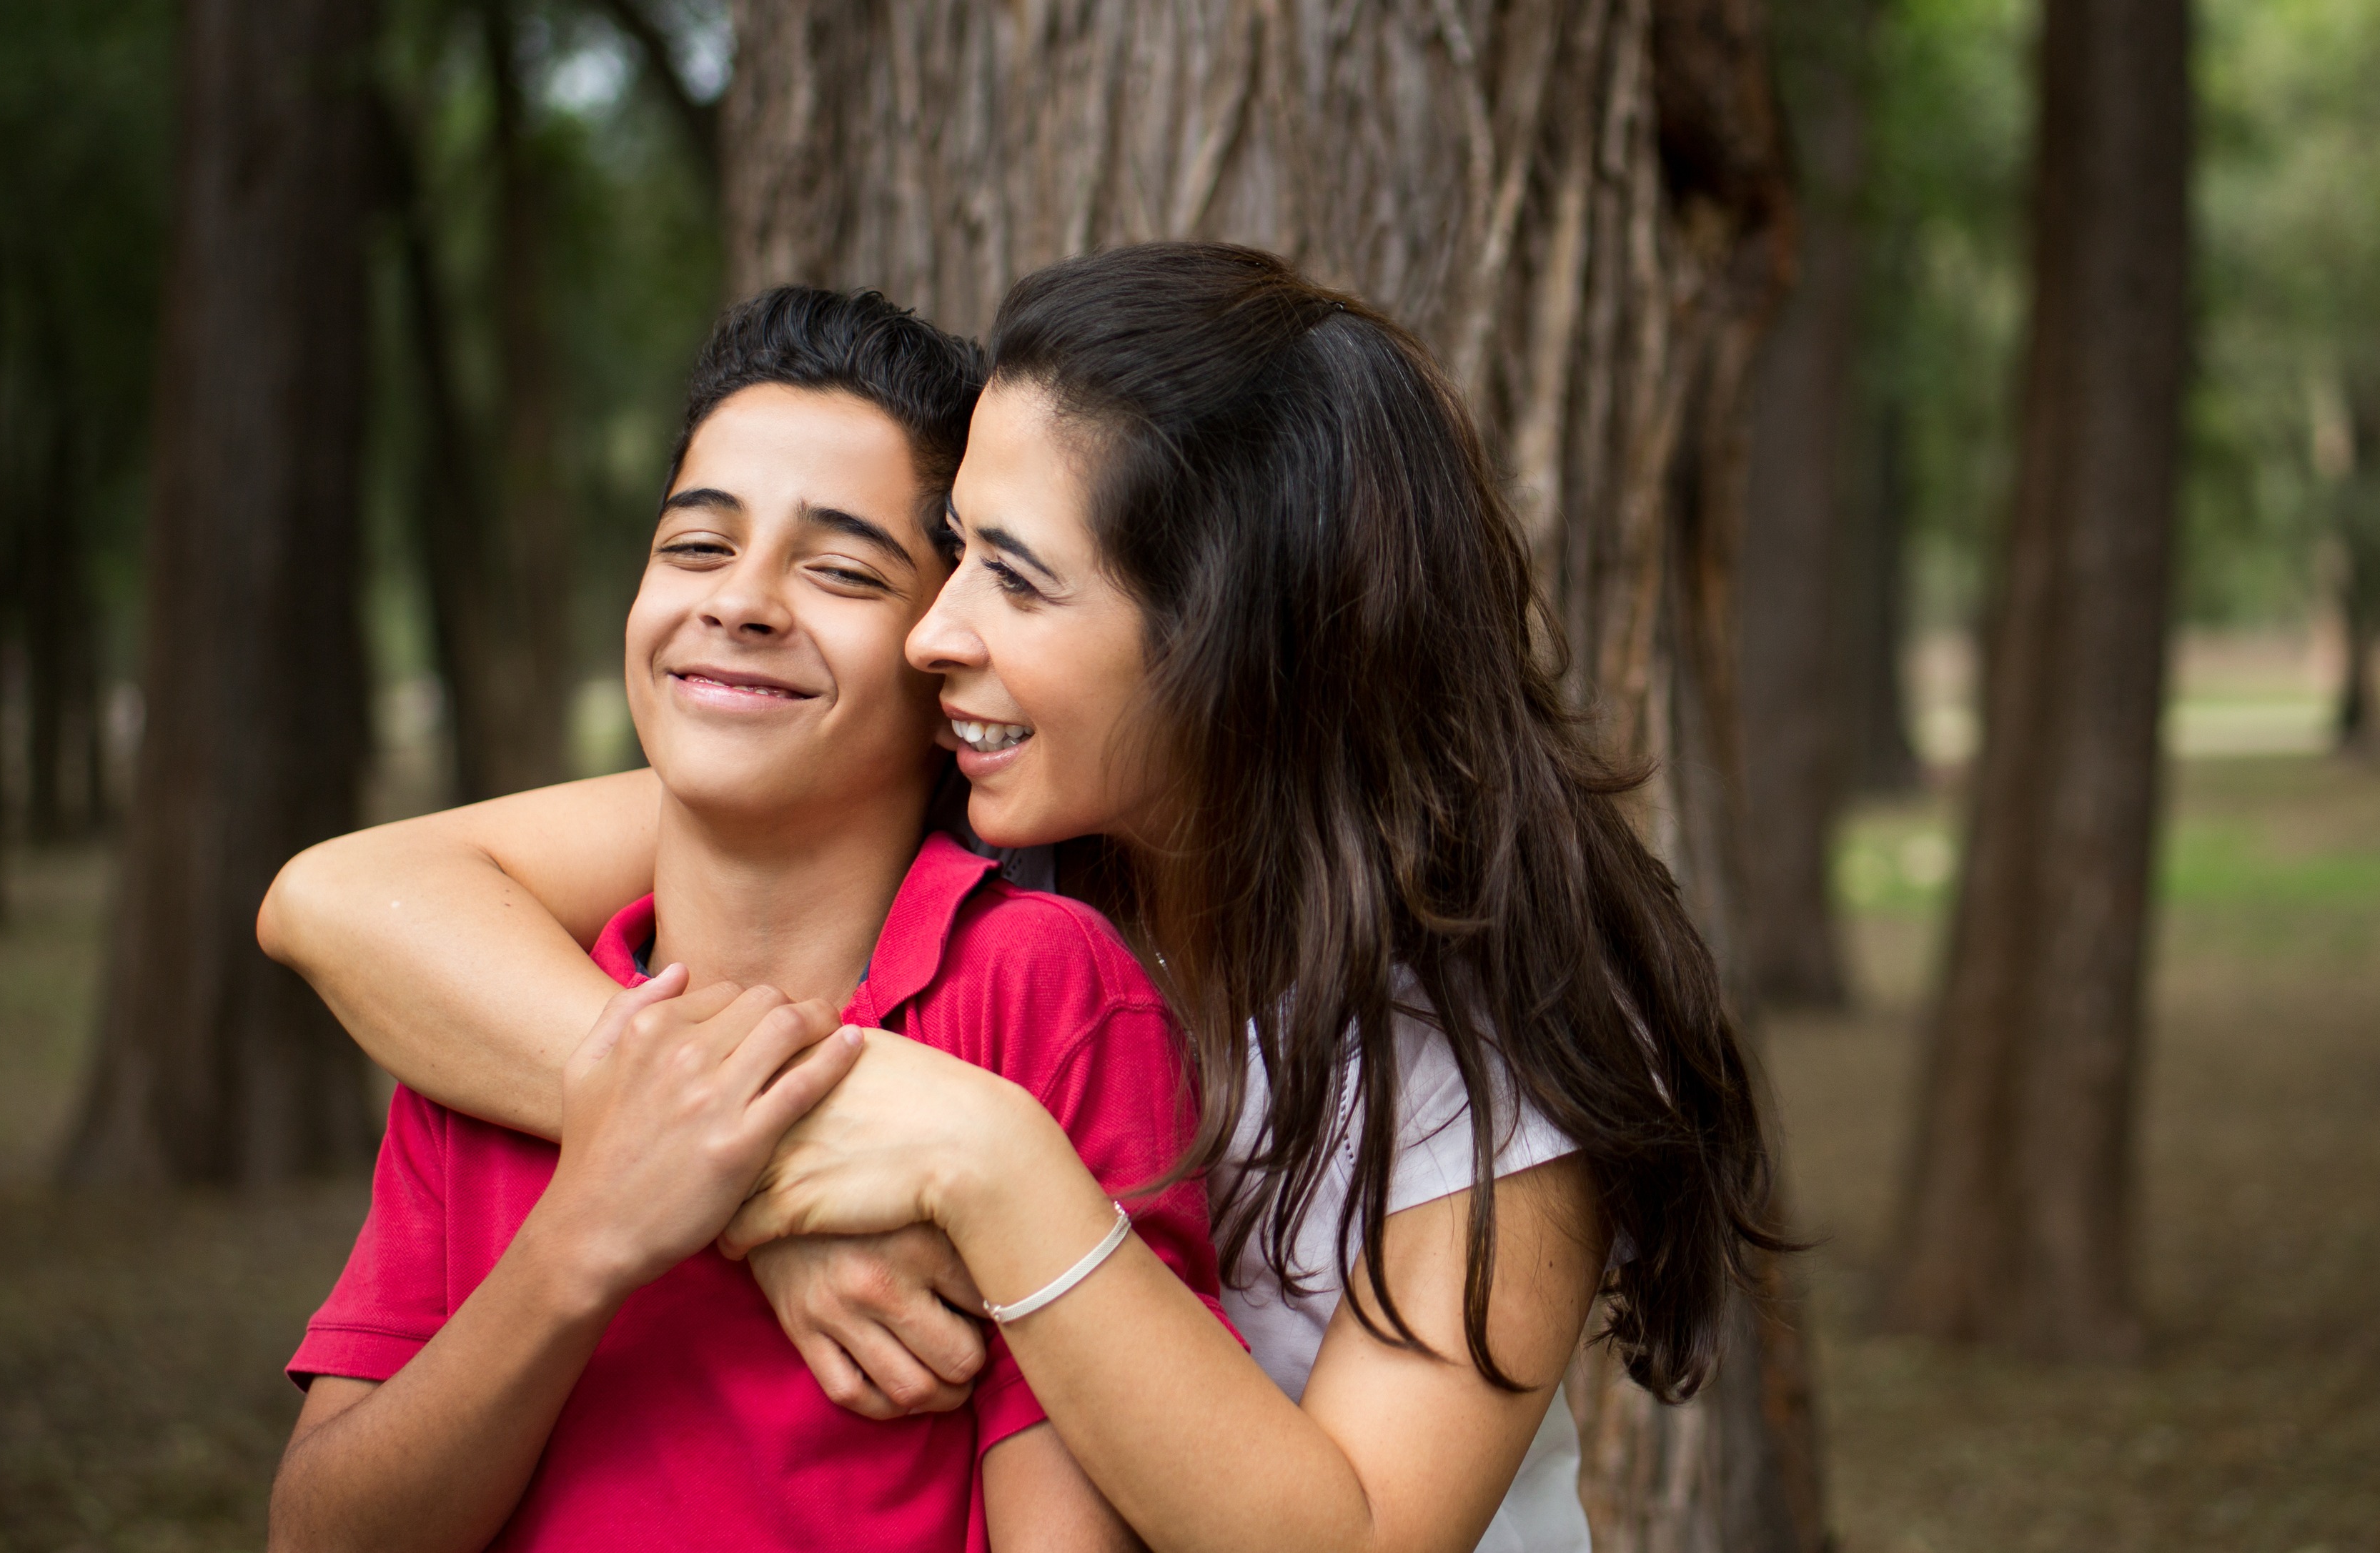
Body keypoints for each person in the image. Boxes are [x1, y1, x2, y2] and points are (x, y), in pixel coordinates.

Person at [262, 243, 1788, 1553]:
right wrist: (733, 1177)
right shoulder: (972, 816)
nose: (937, 632)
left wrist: (992, 1167)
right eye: (949, 559)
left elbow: (1355, 1538)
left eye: (1013, 575)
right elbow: (352, 896)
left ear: (1224, 641)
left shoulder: (1481, 1050)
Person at [267, 287, 1223, 1553]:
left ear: (942, 648)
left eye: (839, 569)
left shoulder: (1036, 992)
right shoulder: (493, 1020)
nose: (743, 600)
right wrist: (589, 1235)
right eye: (697, 545)